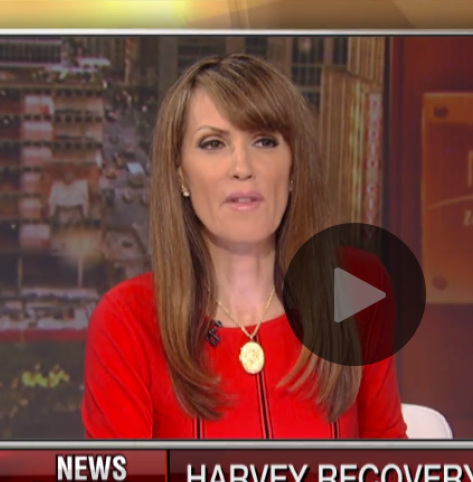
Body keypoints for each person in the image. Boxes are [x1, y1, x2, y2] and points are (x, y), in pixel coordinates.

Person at [81, 54, 408, 439]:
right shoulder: (127, 322)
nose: (242, 167)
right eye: (213, 143)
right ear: (180, 175)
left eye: (264, 141)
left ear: (293, 168)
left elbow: (391, 464)